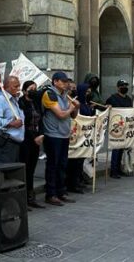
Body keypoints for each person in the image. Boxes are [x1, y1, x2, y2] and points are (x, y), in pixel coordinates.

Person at [40, 71, 78, 206]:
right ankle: (51, 194)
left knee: (62, 164)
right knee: (53, 165)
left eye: (67, 81)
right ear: (55, 81)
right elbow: (61, 114)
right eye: (63, 81)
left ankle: (61, 191)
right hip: (53, 135)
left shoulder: (65, 95)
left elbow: (73, 116)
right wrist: (71, 108)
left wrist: (75, 108)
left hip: (64, 134)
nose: (66, 83)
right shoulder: (49, 94)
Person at [18, 80, 44, 208]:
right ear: (24, 91)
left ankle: (31, 196)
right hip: (26, 139)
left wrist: (41, 135)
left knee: (32, 168)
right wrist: (34, 137)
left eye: (35, 88)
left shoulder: (37, 102)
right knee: (25, 168)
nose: (34, 91)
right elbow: (23, 123)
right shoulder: (20, 103)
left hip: (37, 138)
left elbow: (41, 119)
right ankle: (23, 198)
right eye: (31, 89)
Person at [0, 76, 24, 164]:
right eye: (15, 86)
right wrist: (11, 123)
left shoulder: (14, 100)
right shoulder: (0, 100)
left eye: (19, 86)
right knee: (6, 172)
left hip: (15, 143)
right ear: (6, 87)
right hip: (6, 143)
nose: (18, 89)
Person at [105, 79, 133, 179]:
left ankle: (119, 169)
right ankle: (113, 171)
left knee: (122, 149)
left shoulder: (129, 99)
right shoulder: (112, 98)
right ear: (118, 87)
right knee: (116, 149)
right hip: (116, 127)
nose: (124, 87)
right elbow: (106, 109)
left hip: (126, 127)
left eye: (126, 85)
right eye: (122, 86)